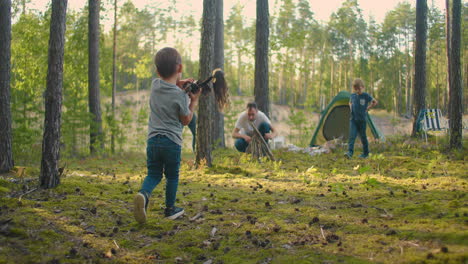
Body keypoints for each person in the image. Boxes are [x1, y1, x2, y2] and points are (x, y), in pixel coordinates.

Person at [133, 47, 201, 224]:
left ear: (157, 70)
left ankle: (144, 194)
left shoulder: (155, 85)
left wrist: (181, 82)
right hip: (172, 142)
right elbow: (186, 119)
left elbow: (168, 84)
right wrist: (193, 101)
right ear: (179, 68)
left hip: (153, 141)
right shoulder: (180, 96)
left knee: (154, 174)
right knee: (172, 176)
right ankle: (170, 209)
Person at [345, 78, 378, 159]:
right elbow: (350, 102)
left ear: (363, 87)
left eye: (359, 89)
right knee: (352, 136)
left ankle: (366, 153)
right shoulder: (352, 96)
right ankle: (350, 152)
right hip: (353, 120)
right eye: (356, 89)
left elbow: (375, 102)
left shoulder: (365, 95)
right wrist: (351, 107)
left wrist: (367, 108)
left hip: (362, 120)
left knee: (363, 137)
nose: (358, 91)